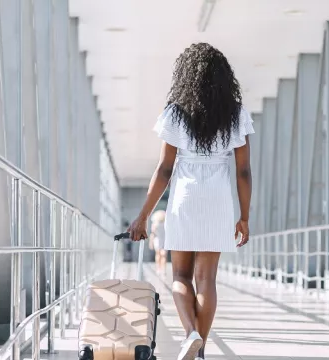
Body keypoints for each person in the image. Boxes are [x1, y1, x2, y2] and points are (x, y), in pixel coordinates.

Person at [127, 43, 253, 360]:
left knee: (181, 276)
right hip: (219, 199)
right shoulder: (236, 114)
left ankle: (190, 334)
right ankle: (200, 351)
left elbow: (165, 169)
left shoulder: (175, 112)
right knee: (207, 278)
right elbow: (244, 171)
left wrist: (143, 216)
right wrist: (244, 217)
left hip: (185, 195)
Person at [149, 210, 168, 275]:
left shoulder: (166, 223)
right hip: (158, 240)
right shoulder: (155, 224)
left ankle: (162, 269)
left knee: (162, 254)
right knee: (160, 254)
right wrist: (151, 242)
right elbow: (152, 233)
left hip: (163, 240)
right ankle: (159, 268)